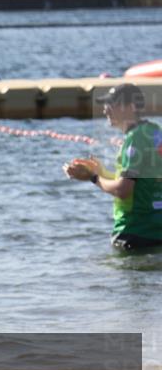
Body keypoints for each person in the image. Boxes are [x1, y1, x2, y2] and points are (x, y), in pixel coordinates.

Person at [63, 84, 162, 251]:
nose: (105, 110)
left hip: (134, 232)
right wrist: (101, 172)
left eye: (111, 105)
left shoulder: (135, 139)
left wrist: (93, 178)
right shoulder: (154, 132)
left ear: (130, 107)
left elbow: (124, 190)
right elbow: (140, 184)